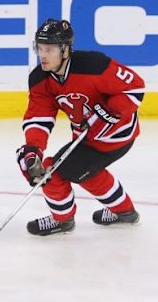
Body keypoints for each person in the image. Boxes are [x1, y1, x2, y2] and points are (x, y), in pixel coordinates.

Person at [16, 18, 145, 236]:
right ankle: (125, 212)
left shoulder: (93, 65)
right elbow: (40, 116)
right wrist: (32, 149)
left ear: (65, 50)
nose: (43, 55)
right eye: (40, 48)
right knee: (83, 171)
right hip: (87, 138)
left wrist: (110, 112)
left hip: (115, 134)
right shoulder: (40, 79)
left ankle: (62, 220)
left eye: (50, 49)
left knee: (53, 171)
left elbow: (134, 87)